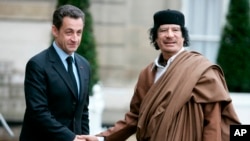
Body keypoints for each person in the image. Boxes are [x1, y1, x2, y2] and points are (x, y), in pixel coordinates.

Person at [93, 9, 241, 141]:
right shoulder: (147, 73)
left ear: (183, 36)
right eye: (163, 30)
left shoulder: (201, 70)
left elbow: (212, 121)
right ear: (155, 37)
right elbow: (135, 117)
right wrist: (103, 139)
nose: (170, 35)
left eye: (175, 30)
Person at [19, 4, 97, 141]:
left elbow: (83, 111)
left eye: (79, 32)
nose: (75, 38)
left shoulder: (84, 64)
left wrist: (84, 138)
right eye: (69, 32)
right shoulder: (37, 65)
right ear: (55, 31)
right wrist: (70, 138)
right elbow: (38, 112)